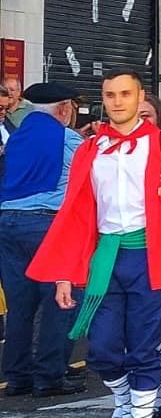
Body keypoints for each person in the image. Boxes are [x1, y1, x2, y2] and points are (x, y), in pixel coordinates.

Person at [28, 72, 161, 418]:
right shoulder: (90, 149)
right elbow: (75, 215)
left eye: (125, 94)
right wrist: (64, 272)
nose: (117, 101)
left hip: (152, 258)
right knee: (101, 351)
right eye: (110, 95)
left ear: (139, 99)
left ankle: (140, 411)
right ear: (103, 100)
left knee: (143, 348)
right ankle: (126, 400)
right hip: (104, 260)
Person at [0, 82, 85, 398]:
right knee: (61, 299)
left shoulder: (17, 136)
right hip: (48, 224)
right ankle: (49, 376)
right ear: (63, 108)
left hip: (8, 222)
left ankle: (18, 377)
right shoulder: (69, 139)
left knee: (20, 304)